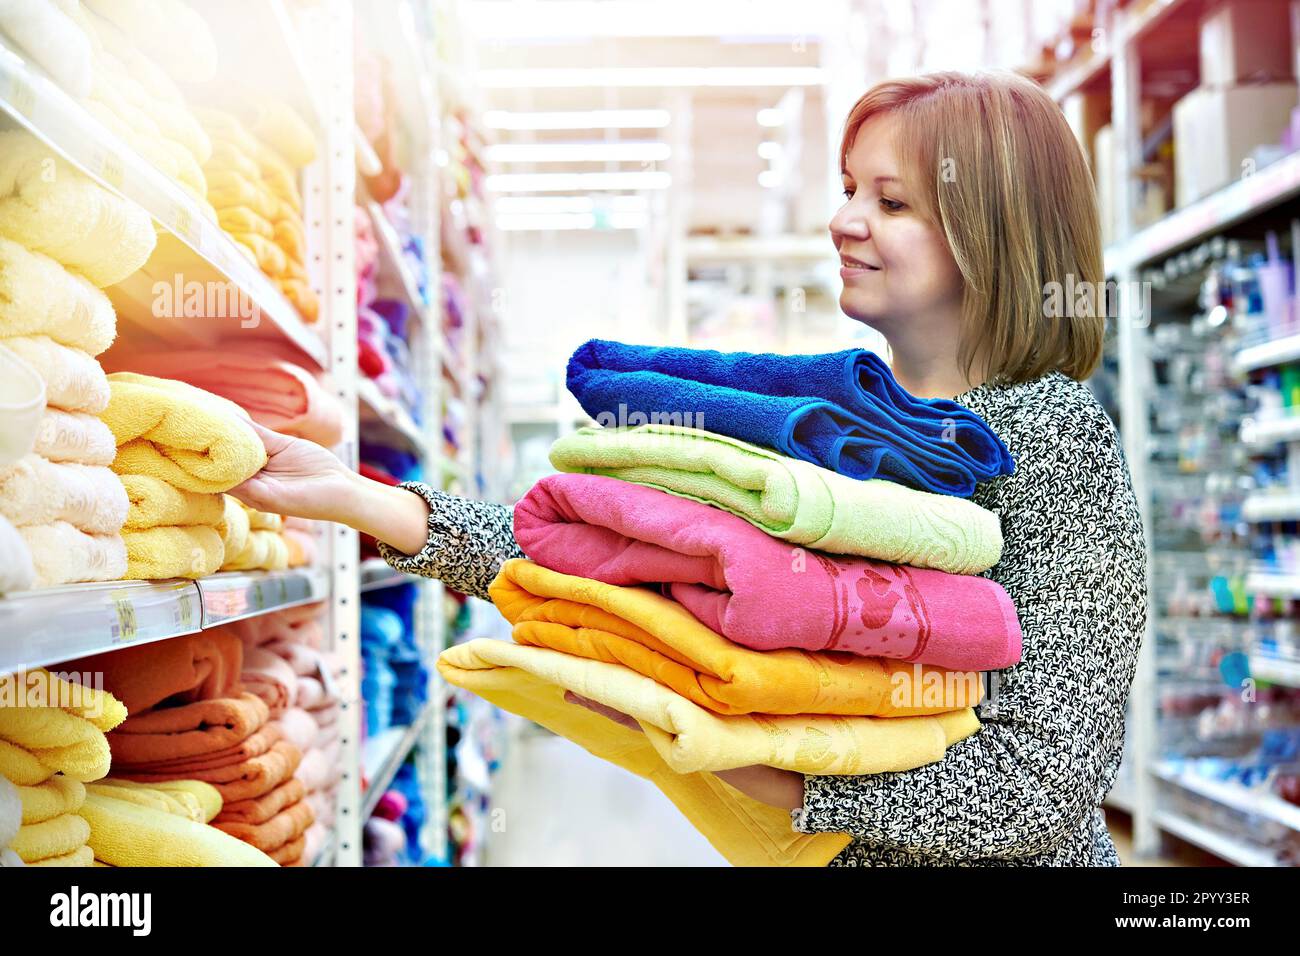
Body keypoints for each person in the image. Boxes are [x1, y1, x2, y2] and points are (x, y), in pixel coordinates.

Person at [232, 70, 1147, 866]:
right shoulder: (850, 429)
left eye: (890, 200)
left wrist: (754, 764)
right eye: (847, 189)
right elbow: (631, 554)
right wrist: (355, 499)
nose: (842, 221)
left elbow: (1044, 782)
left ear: (992, 231)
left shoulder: (1053, 438)